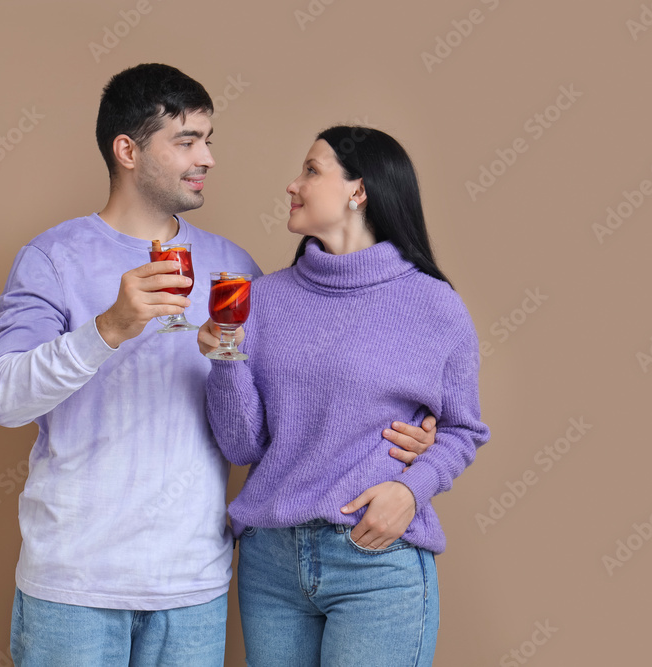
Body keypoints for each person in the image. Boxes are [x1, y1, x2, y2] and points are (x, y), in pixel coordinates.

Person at [0, 65, 437, 667]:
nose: (208, 158)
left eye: (210, 139)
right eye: (187, 140)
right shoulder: (53, 259)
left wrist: (411, 440)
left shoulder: (236, 270)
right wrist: (110, 327)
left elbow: (284, 416)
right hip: (74, 583)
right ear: (127, 150)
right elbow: (4, 399)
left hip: (193, 590)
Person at [200, 126, 491, 666]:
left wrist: (411, 491)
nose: (293, 183)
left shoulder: (433, 305)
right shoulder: (260, 298)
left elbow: (462, 429)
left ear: (359, 191)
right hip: (271, 563)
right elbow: (242, 445)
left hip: (375, 559)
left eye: (312, 170)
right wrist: (225, 359)